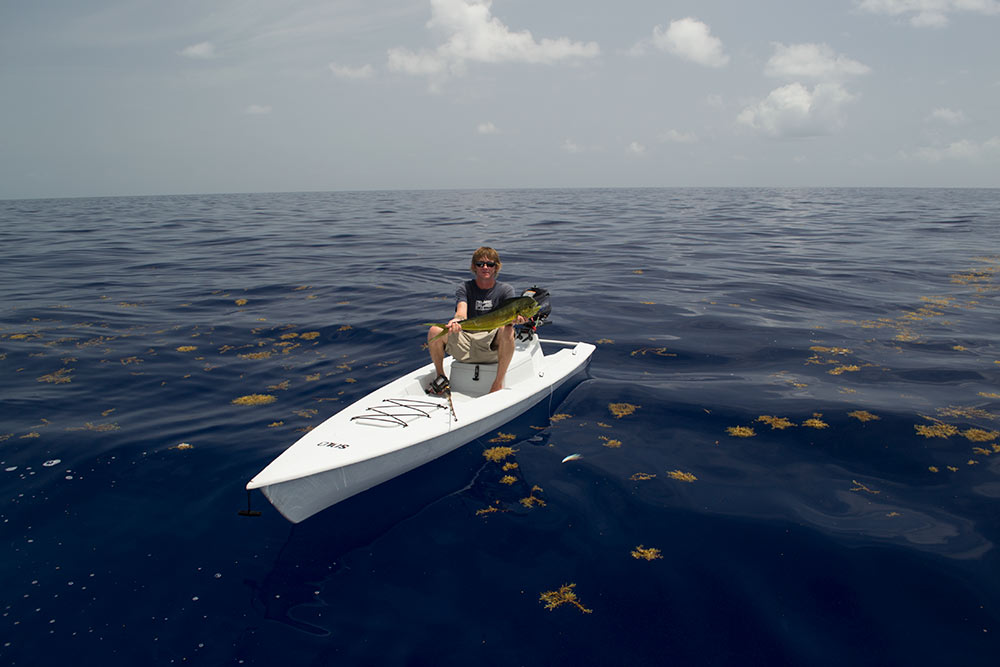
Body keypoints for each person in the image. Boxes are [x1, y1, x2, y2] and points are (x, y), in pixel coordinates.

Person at [427, 247, 525, 394]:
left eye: (490, 264)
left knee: (508, 329)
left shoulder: (506, 290)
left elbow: (509, 319)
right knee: (434, 330)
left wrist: (516, 320)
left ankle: (498, 383)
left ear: (496, 267)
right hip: (467, 342)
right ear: (474, 267)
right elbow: (461, 313)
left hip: (490, 345)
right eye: (480, 264)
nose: (485, 267)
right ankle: (441, 377)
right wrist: (456, 320)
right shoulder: (464, 287)